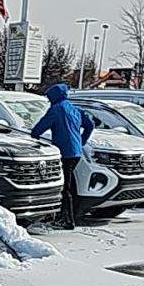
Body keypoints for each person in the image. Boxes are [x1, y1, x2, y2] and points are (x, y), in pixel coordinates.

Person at [30, 82, 95, 229]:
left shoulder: (56, 109)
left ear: (54, 96)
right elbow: (90, 125)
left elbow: (38, 129)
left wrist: (35, 136)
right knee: (68, 185)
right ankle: (64, 216)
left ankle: (67, 220)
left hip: (64, 153)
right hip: (76, 152)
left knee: (64, 187)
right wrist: (81, 141)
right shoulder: (75, 109)